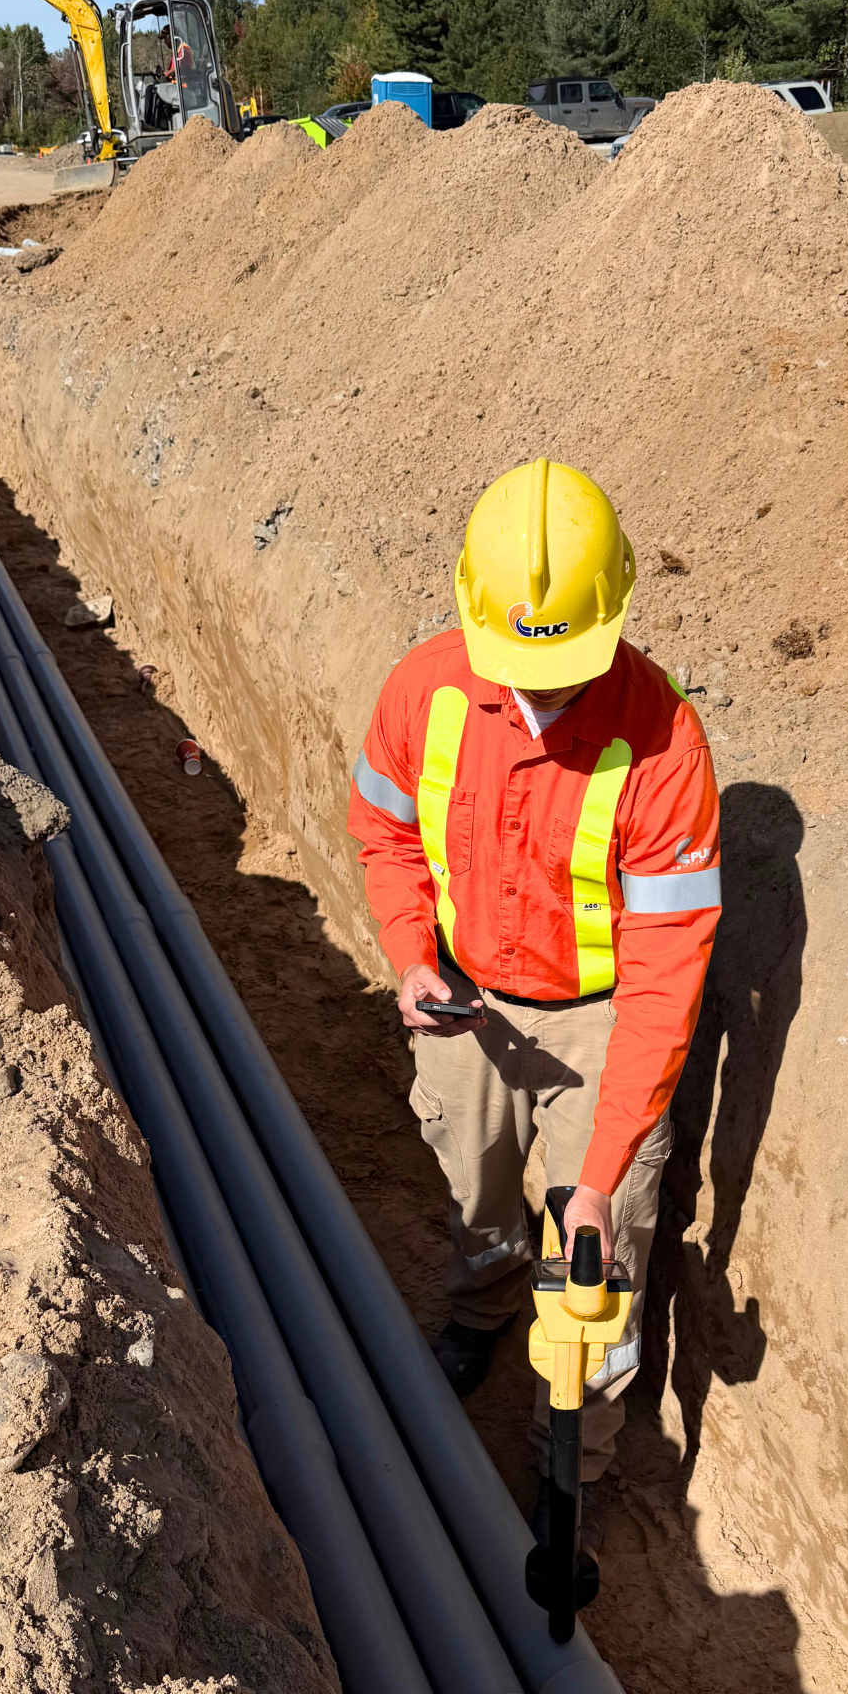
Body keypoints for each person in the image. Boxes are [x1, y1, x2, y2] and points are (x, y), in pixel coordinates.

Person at [347, 459, 721, 1548]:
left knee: (605, 1257)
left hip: (603, 1016)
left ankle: (580, 1454)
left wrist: (598, 1179)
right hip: (464, 997)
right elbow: (385, 836)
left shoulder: (662, 743)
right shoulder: (423, 692)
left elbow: (666, 970)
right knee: (471, 1183)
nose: (542, 698)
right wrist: (414, 956)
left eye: (564, 677)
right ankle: (479, 1314)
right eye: (521, 673)